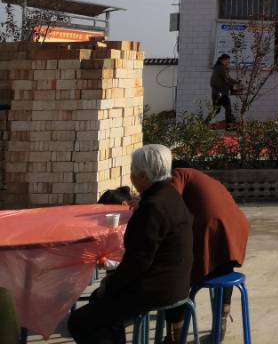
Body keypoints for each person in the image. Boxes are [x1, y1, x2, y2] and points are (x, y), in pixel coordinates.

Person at [68, 145, 193, 344]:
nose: (132, 178)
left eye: (133, 172)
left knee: (79, 321)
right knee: (98, 303)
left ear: (143, 175)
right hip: (176, 282)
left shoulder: (152, 207)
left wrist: (110, 283)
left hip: (158, 288)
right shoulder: (169, 194)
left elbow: (138, 262)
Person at [161, 166, 251, 344]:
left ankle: (176, 333)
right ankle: (221, 319)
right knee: (224, 265)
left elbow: (169, 203)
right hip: (236, 227)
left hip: (214, 226)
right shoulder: (206, 179)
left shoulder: (178, 174)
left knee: (176, 275)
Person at [209, 54, 238, 128]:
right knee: (227, 108)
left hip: (217, 93)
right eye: (227, 61)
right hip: (221, 93)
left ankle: (204, 123)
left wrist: (232, 88)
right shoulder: (221, 68)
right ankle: (229, 125)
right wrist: (236, 83)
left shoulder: (218, 67)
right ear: (222, 60)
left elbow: (226, 80)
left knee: (217, 110)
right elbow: (227, 79)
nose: (228, 62)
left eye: (229, 61)